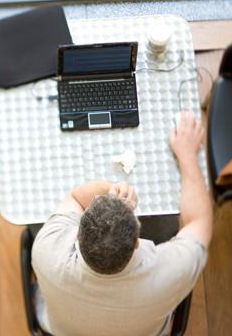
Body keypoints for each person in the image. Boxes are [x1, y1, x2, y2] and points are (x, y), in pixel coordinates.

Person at [32, 110, 213, 336]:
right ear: (137, 242)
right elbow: (199, 221)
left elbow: (76, 198)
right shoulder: (169, 274)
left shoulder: (46, 250)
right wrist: (186, 154)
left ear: (79, 233)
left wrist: (109, 190)